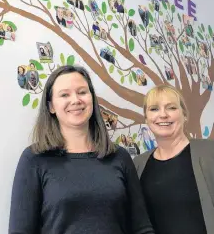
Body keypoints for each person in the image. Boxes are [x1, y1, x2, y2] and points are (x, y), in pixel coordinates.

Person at [9, 65, 155, 234]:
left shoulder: (119, 156)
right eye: (64, 94)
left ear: (91, 99)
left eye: (82, 92)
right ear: (51, 107)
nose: (75, 100)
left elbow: (141, 227)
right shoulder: (34, 159)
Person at [134, 84, 214, 234]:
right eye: (154, 109)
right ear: (146, 119)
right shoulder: (137, 165)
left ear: (184, 115)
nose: (163, 115)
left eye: (171, 108)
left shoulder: (210, 152)